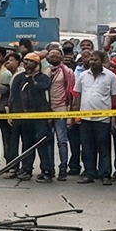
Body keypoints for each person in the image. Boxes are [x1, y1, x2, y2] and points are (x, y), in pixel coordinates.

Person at [75, 49, 116, 184]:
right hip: (85, 118)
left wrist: (111, 115)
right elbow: (78, 95)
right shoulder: (83, 75)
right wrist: (76, 114)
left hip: (103, 119)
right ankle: (90, 173)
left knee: (104, 147)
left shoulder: (110, 76)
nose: (92, 62)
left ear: (102, 61)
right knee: (87, 147)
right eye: (91, 59)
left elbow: (115, 96)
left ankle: (105, 175)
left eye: (95, 59)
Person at [9, 52, 53, 181]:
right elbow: (13, 97)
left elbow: (44, 88)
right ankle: (26, 169)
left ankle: (47, 170)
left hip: (40, 117)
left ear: (37, 63)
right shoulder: (18, 78)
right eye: (25, 61)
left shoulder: (43, 78)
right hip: (23, 117)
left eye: (30, 61)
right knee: (26, 144)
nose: (27, 63)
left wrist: (32, 78)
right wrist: (11, 113)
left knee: (42, 143)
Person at [47, 45, 76, 182]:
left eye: (56, 55)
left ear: (61, 57)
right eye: (51, 55)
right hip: (47, 110)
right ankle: (49, 169)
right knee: (48, 141)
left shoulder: (67, 71)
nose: (54, 57)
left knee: (62, 141)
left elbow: (71, 91)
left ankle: (63, 169)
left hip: (61, 109)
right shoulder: (45, 71)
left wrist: (70, 111)